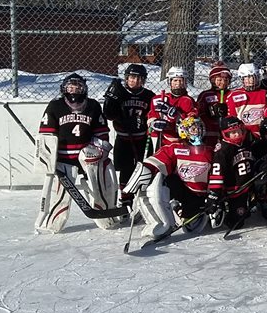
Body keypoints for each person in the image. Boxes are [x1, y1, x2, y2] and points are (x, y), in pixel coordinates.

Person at [35, 73, 117, 233]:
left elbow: (101, 133)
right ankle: (53, 223)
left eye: (78, 86)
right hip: (64, 158)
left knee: (99, 189)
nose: (74, 90)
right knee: (61, 195)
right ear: (64, 89)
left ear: (84, 89)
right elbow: (46, 135)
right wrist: (50, 159)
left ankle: (106, 219)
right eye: (70, 87)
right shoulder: (55, 106)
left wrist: (97, 150)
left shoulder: (93, 106)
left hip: (88, 157)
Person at [122, 114, 214, 237]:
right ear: (184, 131)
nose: (197, 131)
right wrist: (146, 170)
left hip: (201, 195)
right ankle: (159, 223)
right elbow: (155, 162)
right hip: (182, 189)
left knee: (192, 227)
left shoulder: (212, 150)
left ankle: (179, 209)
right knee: (159, 179)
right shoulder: (175, 148)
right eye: (192, 128)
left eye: (199, 127)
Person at [103, 63, 154, 194]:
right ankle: (126, 198)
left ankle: (142, 194)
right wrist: (111, 100)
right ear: (126, 78)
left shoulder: (149, 95)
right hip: (123, 138)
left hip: (142, 138)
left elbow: (153, 113)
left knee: (145, 167)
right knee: (125, 169)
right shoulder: (120, 92)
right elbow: (109, 115)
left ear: (143, 80)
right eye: (132, 77)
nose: (135, 81)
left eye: (139, 78)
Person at [206, 116, 257, 232]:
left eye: (238, 131)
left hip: (248, 186)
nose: (236, 135)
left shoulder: (247, 143)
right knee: (236, 222)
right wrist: (214, 194)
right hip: (233, 190)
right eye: (232, 133)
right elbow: (217, 173)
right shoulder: (223, 151)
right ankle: (222, 207)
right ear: (225, 134)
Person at [147, 67, 196, 148]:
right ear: (169, 82)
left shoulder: (188, 101)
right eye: (175, 80)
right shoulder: (158, 99)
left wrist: (176, 115)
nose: (178, 83)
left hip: (180, 140)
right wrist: (153, 123)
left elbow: (192, 120)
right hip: (160, 139)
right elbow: (152, 114)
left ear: (185, 82)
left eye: (181, 80)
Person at [227, 63, 267, 139]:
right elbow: (232, 118)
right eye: (247, 77)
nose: (251, 80)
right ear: (242, 79)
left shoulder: (264, 94)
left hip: (262, 135)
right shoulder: (234, 96)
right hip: (243, 136)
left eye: (253, 77)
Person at [196, 62, 232, 146]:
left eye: (226, 80)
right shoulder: (206, 95)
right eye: (219, 80)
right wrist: (209, 112)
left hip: (228, 130)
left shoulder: (232, 94)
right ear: (213, 81)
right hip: (210, 131)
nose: (222, 83)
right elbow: (199, 111)